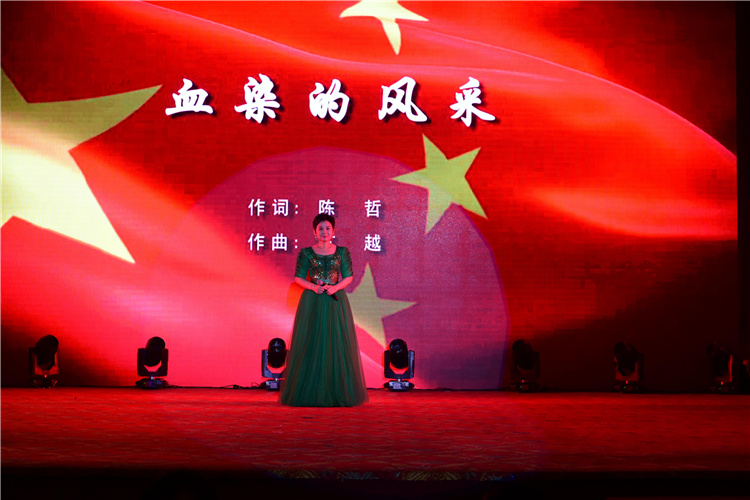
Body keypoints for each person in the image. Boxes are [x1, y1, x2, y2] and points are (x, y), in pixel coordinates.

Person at [279, 213, 368, 407]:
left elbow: (348, 276)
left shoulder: (342, 252)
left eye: (328, 228)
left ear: (333, 231)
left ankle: (337, 392)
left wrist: (335, 288)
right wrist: (313, 287)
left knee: (335, 344)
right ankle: (309, 392)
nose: (324, 232)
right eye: (320, 229)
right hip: (313, 301)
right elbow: (298, 277)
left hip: (335, 301)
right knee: (311, 342)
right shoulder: (306, 253)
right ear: (314, 232)